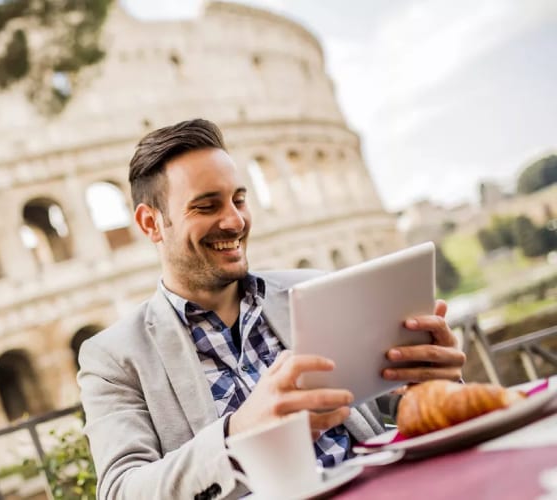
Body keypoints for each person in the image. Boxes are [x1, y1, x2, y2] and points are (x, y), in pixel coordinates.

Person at [77, 119, 465, 500]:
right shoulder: (113, 358)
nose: (234, 221)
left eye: (239, 200)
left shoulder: (315, 288)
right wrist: (238, 435)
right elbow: (120, 491)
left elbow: (402, 408)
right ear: (151, 223)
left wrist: (434, 385)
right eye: (207, 206)